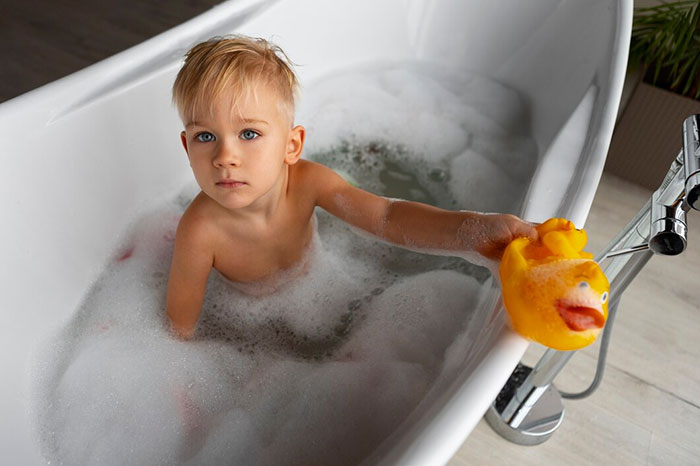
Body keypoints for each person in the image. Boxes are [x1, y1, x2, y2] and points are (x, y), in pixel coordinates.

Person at [166, 35, 537, 339]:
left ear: (291, 146)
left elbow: (388, 217)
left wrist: (472, 232)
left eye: (249, 133)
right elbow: (180, 329)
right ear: (186, 146)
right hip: (250, 324)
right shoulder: (200, 231)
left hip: (324, 288)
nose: (224, 155)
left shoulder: (307, 182)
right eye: (205, 136)